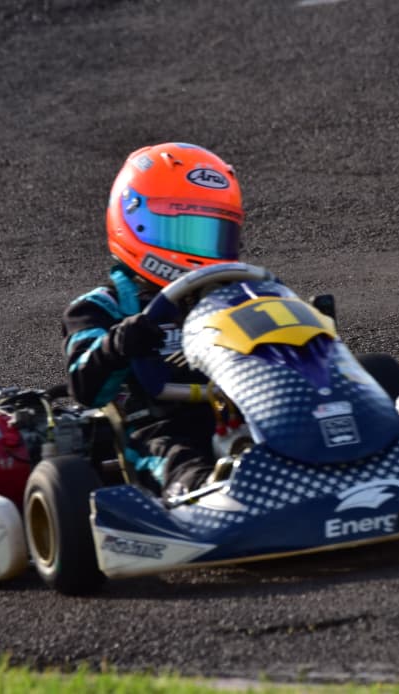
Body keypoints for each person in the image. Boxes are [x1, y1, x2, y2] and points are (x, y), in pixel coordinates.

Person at [61, 142, 244, 498]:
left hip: (243, 407)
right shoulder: (100, 307)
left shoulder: (236, 293)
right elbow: (86, 389)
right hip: (157, 428)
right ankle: (214, 496)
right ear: (137, 221)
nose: (201, 249)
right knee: (179, 460)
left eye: (212, 235)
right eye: (187, 233)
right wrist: (118, 344)